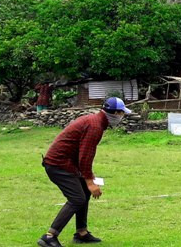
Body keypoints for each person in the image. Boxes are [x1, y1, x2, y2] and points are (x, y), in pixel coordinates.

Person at [37, 97, 131, 247]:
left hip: (66, 163)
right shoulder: (95, 127)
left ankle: (82, 233)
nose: (122, 117)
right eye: (121, 113)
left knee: (84, 193)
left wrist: (89, 178)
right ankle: (49, 236)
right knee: (77, 198)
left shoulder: (94, 121)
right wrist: (89, 181)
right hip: (58, 164)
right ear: (114, 113)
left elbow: (82, 155)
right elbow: (85, 156)